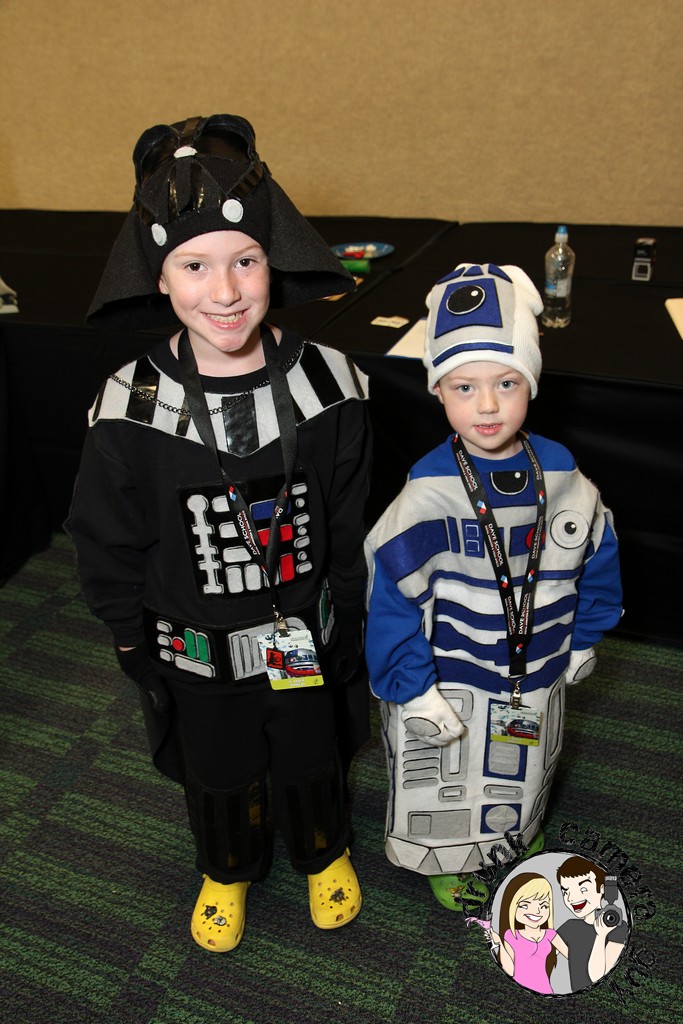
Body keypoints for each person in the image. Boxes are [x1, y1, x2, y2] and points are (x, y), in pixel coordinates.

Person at [66, 114, 372, 952]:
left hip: (302, 633)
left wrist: (351, 613)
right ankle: (226, 866)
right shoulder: (126, 406)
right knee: (217, 767)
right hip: (194, 645)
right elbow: (104, 537)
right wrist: (128, 637)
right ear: (159, 278)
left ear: (275, 261)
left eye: (245, 260)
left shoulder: (334, 385)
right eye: (194, 266)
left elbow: (348, 517)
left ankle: (322, 851)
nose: (226, 291)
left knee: (310, 754)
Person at [364, 263, 622, 911]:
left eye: (506, 383)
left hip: (533, 670)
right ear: (437, 390)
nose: (486, 406)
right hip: (447, 676)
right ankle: (447, 858)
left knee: (520, 766)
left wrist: (582, 637)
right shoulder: (426, 493)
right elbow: (390, 595)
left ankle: (511, 838)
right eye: (464, 386)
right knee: (442, 778)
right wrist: (411, 687)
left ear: (530, 382)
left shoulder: (561, 475)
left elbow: (598, 553)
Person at [489, 871, 568, 995]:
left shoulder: (550, 934)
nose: (536, 911)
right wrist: (499, 943)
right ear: (511, 906)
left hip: (546, 990)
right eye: (525, 905)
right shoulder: (511, 935)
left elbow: (573, 957)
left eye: (544, 906)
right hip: (519, 990)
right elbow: (509, 971)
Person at [556, 856, 628, 990]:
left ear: (602, 889)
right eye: (565, 892)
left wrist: (601, 935)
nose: (571, 898)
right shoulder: (570, 927)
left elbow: (597, 977)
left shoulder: (618, 928)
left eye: (583, 889)